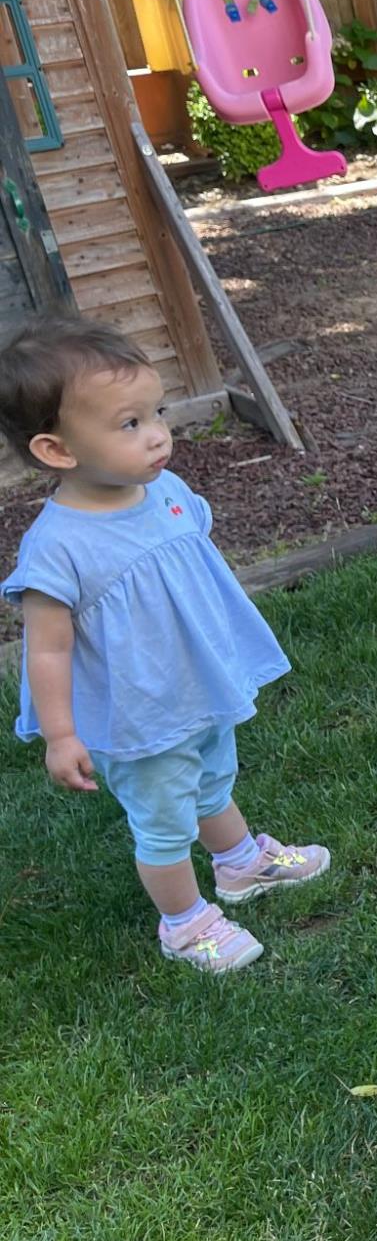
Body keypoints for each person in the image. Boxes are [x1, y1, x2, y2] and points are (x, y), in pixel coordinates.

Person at [1, 319, 328, 974]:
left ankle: (239, 864)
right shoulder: (58, 548)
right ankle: (185, 923)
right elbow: (47, 651)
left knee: (209, 776)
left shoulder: (165, 492)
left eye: (157, 412)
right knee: (163, 819)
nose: (157, 432)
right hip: (137, 713)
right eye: (129, 424)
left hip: (193, 685)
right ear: (57, 450)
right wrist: (63, 736)